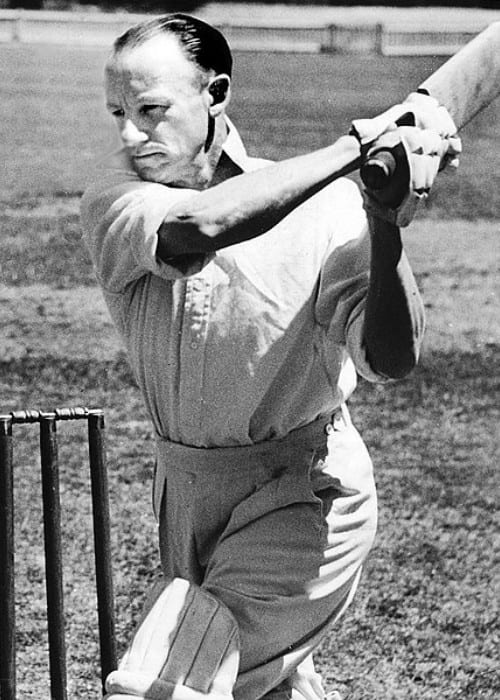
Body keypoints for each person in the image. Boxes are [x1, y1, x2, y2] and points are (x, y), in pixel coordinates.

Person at [80, 14, 460, 700]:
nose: (130, 136)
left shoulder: (328, 211)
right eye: (118, 113)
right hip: (186, 493)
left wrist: (382, 220)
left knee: (166, 683)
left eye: (151, 111)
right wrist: (358, 146)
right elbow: (202, 228)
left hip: (305, 493)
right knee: (257, 686)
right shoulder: (117, 201)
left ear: (216, 94)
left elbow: (391, 358)